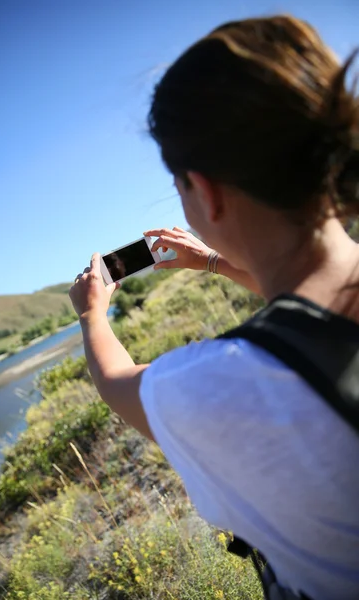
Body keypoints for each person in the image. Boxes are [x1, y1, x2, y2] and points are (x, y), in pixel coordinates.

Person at [70, 15, 359, 600]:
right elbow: (316, 310)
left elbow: (119, 382)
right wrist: (213, 260)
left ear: (202, 191)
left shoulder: (222, 384)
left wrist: (92, 314)